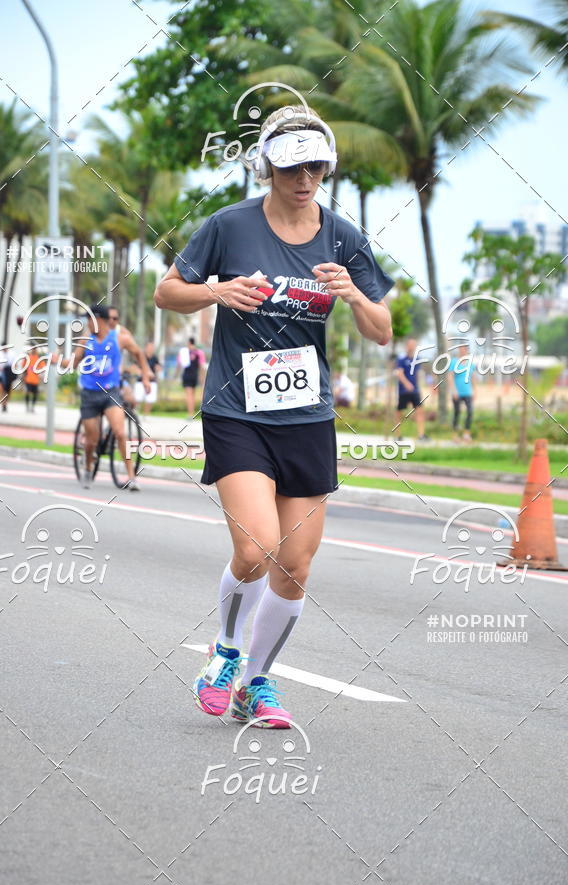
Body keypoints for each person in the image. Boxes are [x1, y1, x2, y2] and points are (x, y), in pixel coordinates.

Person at [154, 104, 393, 727]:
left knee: (296, 564)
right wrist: (215, 290)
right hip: (237, 411)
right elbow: (166, 291)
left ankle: (255, 685)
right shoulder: (230, 227)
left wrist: (353, 295)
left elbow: (382, 331)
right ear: (266, 166)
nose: (304, 178)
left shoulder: (343, 237)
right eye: (292, 166)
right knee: (258, 548)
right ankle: (225, 653)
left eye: (316, 166)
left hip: (307, 416)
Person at [55, 304, 151, 490]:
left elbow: (139, 353)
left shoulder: (120, 338)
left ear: (99, 320)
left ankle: (131, 477)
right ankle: (88, 467)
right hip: (90, 395)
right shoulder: (85, 341)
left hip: (111, 393)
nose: (87, 324)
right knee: (91, 440)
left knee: (121, 433)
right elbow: (73, 364)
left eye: (89, 319)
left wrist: (145, 376)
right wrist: (55, 360)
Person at [394, 337, 427, 440]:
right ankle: (398, 435)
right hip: (403, 390)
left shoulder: (417, 359)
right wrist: (407, 384)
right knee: (400, 412)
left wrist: (418, 386)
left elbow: (417, 374)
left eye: (414, 345)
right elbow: (399, 373)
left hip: (415, 390)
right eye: (410, 344)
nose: (412, 347)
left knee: (420, 411)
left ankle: (421, 435)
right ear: (406, 346)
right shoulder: (401, 359)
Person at [449, 343, 476, 442]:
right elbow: (450, 377)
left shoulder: (471, 363)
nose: (462, 350)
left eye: (464, 349)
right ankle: (455, 435)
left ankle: (466, 434)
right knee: (457, 413)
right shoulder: (453, 362)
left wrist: (475, 391)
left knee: (470, 412)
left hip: (467, 392)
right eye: (460, 348)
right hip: (457, 392)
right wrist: (453, 390)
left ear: (467, 350)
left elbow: (473, 378)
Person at [177, 337, 206, 419]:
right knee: (193, 395)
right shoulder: (199, 352)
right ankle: (192, 413)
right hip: (195, 375)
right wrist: (202, 377)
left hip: (187, 375)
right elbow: (202, 366)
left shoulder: (184, 352)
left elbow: (179, 365)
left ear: (189, 343)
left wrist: (175, 376)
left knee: (189, 396)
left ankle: (190, 414)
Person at [134, 341, 161, 414]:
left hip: (151, 381)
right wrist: (144, 373)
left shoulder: (155, 358)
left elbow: (158, 367)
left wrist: (157, 368)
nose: (151, 349)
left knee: (150, 399)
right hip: (141, 380)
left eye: (152, 347)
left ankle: (146, 414)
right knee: (138, 398)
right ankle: (135, 413)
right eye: (149, 347)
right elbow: (135, 367)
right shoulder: (141, 356)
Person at [0, 347, 16, 411]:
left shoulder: (11, 354)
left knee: (7, 390)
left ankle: (5, 403)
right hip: (1, 374)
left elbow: (15, 364)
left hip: (9, 374)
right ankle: (3, 404)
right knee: (1, 389)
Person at [24, 348, 40, 412]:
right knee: (28, 392)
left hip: (35, 380)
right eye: (33, 349)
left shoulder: (38, 358)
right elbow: (24, 367)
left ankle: (33, 407)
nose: (34, 350)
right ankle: (27, 406)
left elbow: (42, 367)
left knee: (35, 394)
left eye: (35, 349)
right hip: (28, 379)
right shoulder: (28, 358)